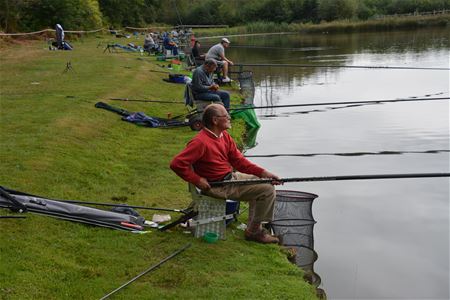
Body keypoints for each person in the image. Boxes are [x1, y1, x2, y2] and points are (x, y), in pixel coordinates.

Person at [170, 103, 281, 244]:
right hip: (219, 187)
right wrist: (197, 180)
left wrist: (265, 173)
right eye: (226, 115)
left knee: (265, 181)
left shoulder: (224, 136)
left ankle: (255, 227)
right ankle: (254, 232)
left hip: (229, 179)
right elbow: (176, 164)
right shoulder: (200, 142)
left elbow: (239, 161)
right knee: (267, 190)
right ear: (215, 120)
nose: (229, 117)